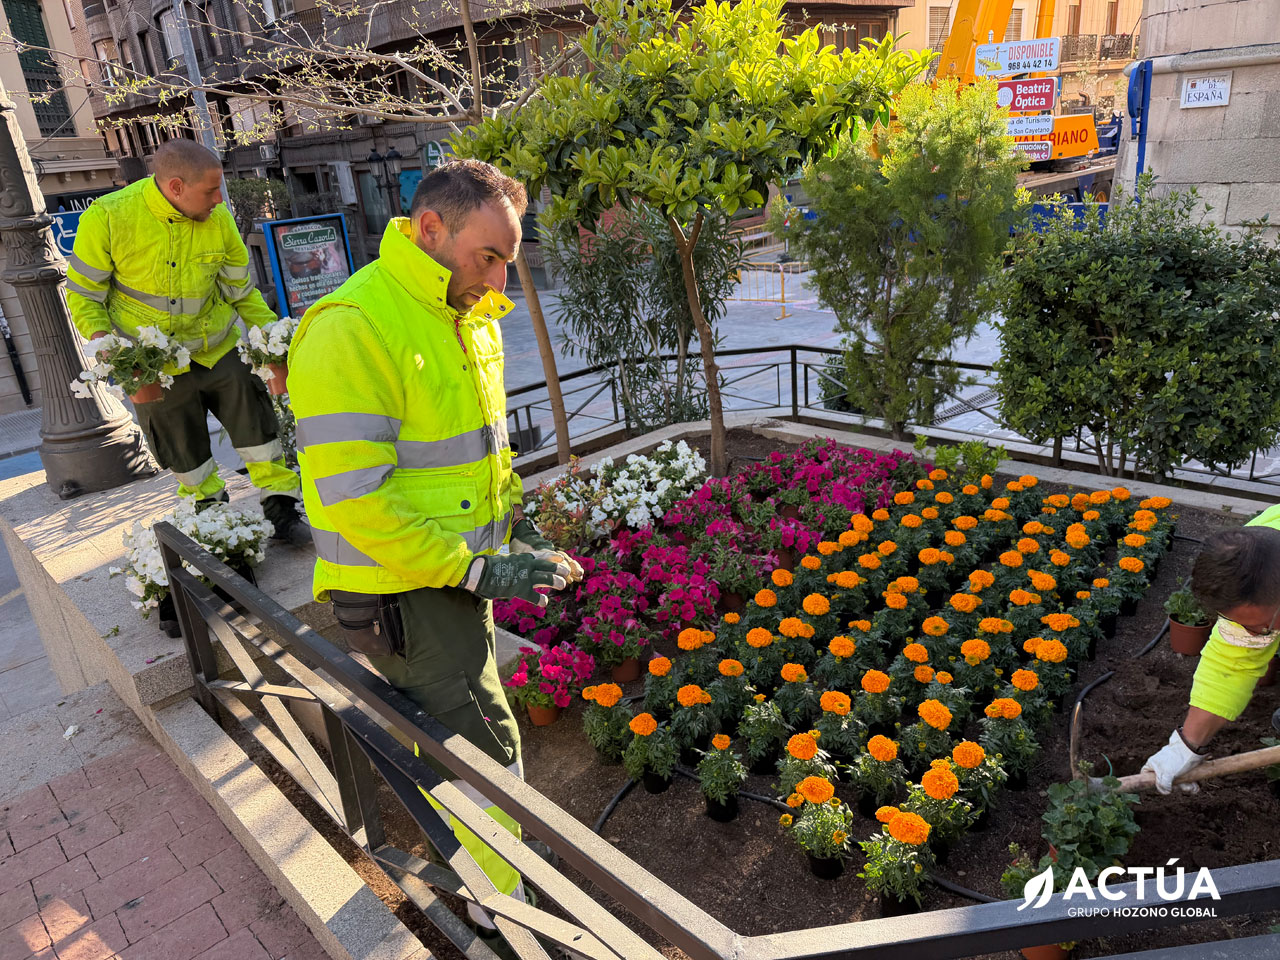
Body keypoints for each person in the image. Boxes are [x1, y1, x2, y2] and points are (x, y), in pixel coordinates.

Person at [287, 159, 581, 941]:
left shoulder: (461, 314)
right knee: (485, 755)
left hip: (442, 583)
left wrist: (514, 526)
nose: (497, 282)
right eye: (488, 257)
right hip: (404, 594)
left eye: (506, 263)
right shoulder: (354, 325)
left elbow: (480, 459)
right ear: (429, 230)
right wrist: (482, 568)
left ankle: (494, 891)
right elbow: (359, 501)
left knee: (463, 746)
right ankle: (504, 917)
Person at [65, 139, 310, 545]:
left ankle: (281, 509)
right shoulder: (108, 217)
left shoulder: (220, 220)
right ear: (175, 187)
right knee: (183, 449)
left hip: (217, 346)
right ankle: (213, 521)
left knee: (259, 429)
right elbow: (84, 294)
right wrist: (109, 348)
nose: (219, 199)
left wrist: (274, 344)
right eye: (210, 191)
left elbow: (243, 293)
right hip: (154, 363)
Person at [1141, 504, 1280, 794]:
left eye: (1259, 627)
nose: (1251, 635)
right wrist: (1186, 747)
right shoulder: (1255, 558)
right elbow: (1233, 661)